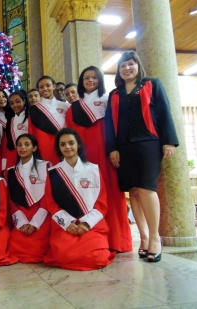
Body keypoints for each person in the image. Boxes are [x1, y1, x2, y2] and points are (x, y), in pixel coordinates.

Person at [105, 51, 179, 262]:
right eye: (122, 66)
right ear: (118, 71)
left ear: (137, 65)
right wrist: (112, 149)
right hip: (123, 147)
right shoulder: (115, 94)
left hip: (148, 143)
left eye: (130, 64)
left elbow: (164, 112)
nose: (127, 68)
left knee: (147, 188)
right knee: (134, 191)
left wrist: (169, 140)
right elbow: (109, 125)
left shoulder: (152, 84)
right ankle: (144, 238)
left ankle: (156, 238)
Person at [66, 66, 132, 253]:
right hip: (84, 159)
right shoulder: (74, 108)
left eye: (95, 77)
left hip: (105, 155)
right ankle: (92, 240)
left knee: (111, 194)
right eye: (86, 77)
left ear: (100, 80)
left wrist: (115, 150)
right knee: (89, 196)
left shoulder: (108, 101)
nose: (90, 80)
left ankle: (118, 241)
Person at [44, 128, 116, 270]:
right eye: (62, 144)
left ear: (78, 145)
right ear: (59, 148)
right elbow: (51, 203)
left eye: (71, 143)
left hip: (92, 225)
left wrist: (86, 223)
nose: (67, 147)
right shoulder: (53, 173)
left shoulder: (93, 169)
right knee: (62, 255)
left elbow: (102, 203)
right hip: (65, 225)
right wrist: (67, 223)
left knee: (98, 257)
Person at [7, 134, 50, 263]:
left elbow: (48, 196)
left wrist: (35, 223)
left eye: (27, 144)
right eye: (19, 145)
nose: (22, 148)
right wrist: (22, 222)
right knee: (16, 244)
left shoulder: (46, 166)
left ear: (34, 147)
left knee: (40, 245)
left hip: (42, 213)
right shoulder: (9, 172)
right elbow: (11, 200)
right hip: (22, 214)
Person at [29, 75, 70, 165]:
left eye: (48, 85)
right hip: (45, 147)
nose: (45, 89)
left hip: (66, 146)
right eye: (41, 87)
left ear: (54, 86)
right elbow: (32, 133)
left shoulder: (66, 106)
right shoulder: (34, 110)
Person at [3, 91, 30, 171]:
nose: (15, 105)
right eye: (12, 103)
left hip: (29, 153)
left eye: (18, 101)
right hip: (14, 154)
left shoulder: (30, 116)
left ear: (24, 101)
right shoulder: (10, 121)